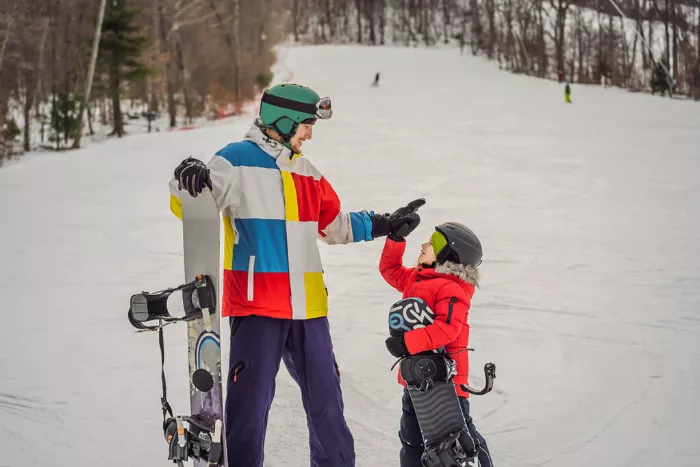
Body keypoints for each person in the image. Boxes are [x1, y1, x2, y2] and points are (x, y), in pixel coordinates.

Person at [168, 82, 424, 467]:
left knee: (327, 405)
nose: (309, 133)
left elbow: (335, 224)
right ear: (282, 121)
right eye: (306, 125)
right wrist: (186, 177)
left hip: (309, 310)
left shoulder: (308, 172)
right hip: (257, 308)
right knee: (249, 410)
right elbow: (190, 202)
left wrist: (384, 223)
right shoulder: (235, 161)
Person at [379, 221, 493, 467]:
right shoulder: (417, 278)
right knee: (411, 441)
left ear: (447, 254)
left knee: (459, 442)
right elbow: (390, 270)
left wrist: (406, 344)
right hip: (416, 381)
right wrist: (396, 239)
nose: (423, 245)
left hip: (446, 386)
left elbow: (447, 329)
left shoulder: (452, 289)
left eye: (431, 244)